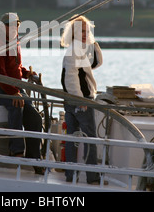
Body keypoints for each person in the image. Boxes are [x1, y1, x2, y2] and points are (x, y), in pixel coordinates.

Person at [0, 12, 44, 173]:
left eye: (16, 25)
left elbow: (14, 68)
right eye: (10, 25)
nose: (14, 28)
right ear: (2, 27)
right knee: (17, 105)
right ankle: (16, 150)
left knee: (35, 117)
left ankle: (34, 156)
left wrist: (26, 73)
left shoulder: (14, 42)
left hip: (12, 87)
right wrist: (13, 93)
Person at [60, 15, 103, 184]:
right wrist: (80, 101)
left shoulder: (79, 49)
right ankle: (92, 176)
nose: (85, 34)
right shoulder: (73, 52)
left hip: (74, 100)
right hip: (80, 101)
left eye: (87, 31)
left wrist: (93, 42)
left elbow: (96, 63)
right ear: (74, 33)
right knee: (89, 137)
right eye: (81, 31)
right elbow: (70, 78)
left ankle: (71, 175)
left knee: (73, 137)